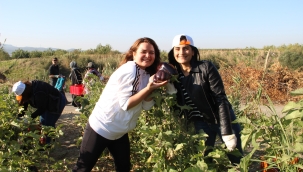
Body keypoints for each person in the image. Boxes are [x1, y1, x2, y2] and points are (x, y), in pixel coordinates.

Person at [72, 37, 167, 172]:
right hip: (101, 127)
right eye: (143, 51)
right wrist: (149, 89)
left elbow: (146, 106)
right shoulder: (130, 70)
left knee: (123, 168)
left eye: (152, 52)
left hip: (120, 132)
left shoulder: (146, 74)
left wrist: (154, 87)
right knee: (82, 168)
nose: (148, 55)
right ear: (134, 53)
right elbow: (126, 105)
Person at [168, 34, 243, 165]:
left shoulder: (206, 67)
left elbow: (220, 98)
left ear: (192, 51)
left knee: (235, 157)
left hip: (222, 118)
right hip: (200, 123)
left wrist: (227, 131)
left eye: (186, 48)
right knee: (203, 159)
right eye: (177, 49)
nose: (181, 52)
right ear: (173, 52)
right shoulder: (174, 75)